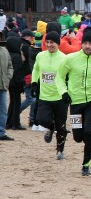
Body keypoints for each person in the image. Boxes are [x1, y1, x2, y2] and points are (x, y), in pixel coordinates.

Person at [55, 27, 91, 176]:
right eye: (85, 43)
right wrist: (63, 92)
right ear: (81, 43)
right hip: (75, 102)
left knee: (89, 132)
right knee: (77, 137)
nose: (88, 46)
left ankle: (86, 165)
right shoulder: (70, 59)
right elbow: (59, 77)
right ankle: (81, 142)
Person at [32, 31, 69, 159]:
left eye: (51, 42)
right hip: (45, 96)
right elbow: (36, 69)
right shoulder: (40, 56)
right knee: (41, 120)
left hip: (60, 97)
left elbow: (69, 76)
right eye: (47, 42)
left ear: (57, 43)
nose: (49, 45)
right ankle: (51, 128)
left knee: (62, 126)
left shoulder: (64, 58)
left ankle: (60, 150)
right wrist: (34, 82)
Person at [0, 40, 13, 140]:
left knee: (3, 110)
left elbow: (10, 66)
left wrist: (8, 78)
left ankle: (1, 132)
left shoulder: (5, 51)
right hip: (4, 84)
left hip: (3, 85)